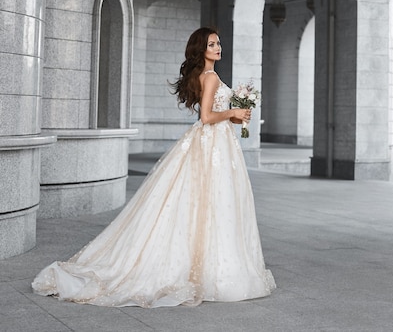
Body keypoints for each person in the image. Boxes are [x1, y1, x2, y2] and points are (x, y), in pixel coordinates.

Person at [32, 27, 276, 307]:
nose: (218, 47)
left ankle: (209, 264)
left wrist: (236, 116)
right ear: (201, 49)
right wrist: (232, 111)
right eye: (211, 44)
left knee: (209, 202)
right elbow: (207, 117)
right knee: (215, 202)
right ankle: (214, 269)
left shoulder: (205, 76)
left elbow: (214, 116)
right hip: (213, 146)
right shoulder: (210, 77)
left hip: (216, 143)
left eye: (218, 43)